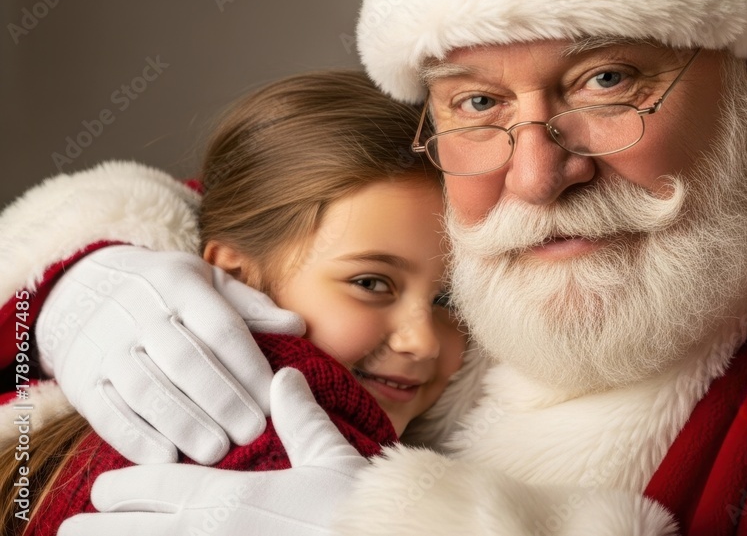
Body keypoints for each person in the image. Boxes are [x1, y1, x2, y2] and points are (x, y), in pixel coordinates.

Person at [1, 0, 747, 534]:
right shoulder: (440, 226)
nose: (534, 172)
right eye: (476, 100)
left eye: (609, 80)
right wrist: (71, 280)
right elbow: (261, 214)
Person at [0, 70, 468, 535]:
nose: (422, 342)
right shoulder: (260, 453)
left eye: (449, 297)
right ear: (237, 277)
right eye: (370, 282)